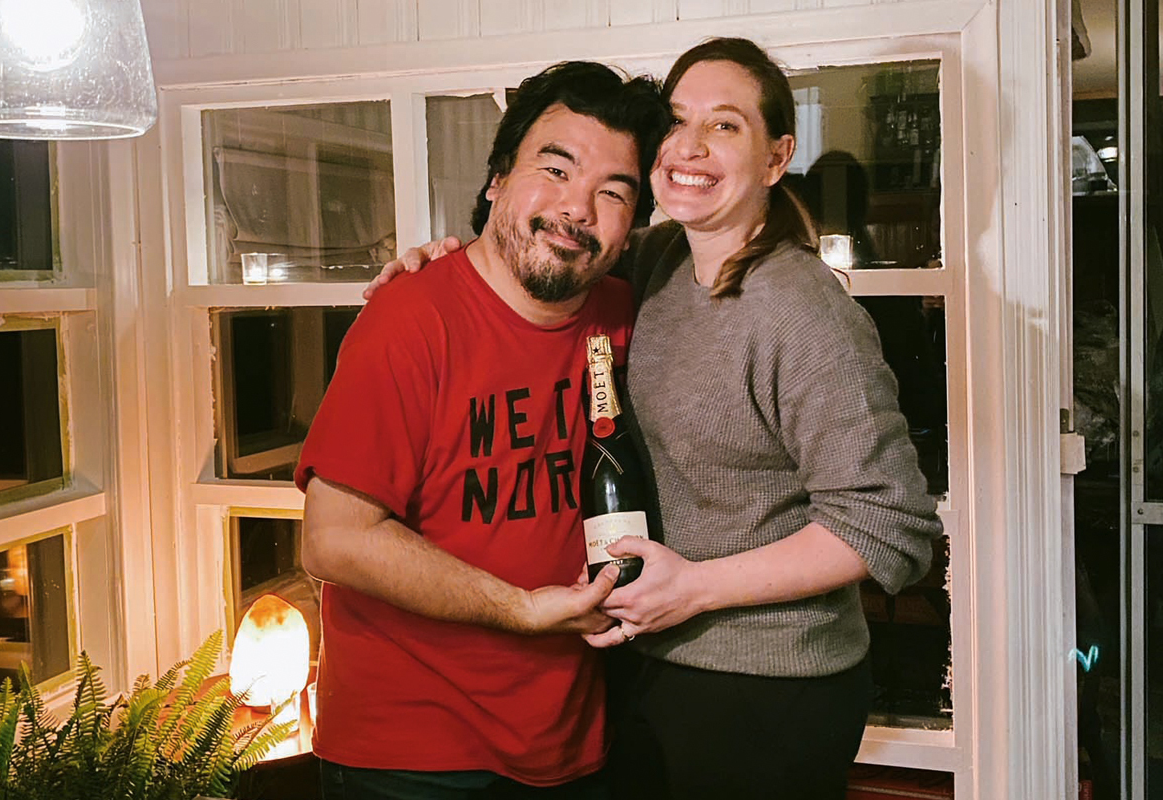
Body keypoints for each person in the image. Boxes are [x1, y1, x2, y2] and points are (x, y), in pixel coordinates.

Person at [371, 37, 943, 800]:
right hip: (655, 666)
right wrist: (444, 262)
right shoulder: (663, 259)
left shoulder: (801, 311)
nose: (692, 147)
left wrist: (697, 588)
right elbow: (553, 253)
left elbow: (889, 524)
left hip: (767, 690)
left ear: (776, 158)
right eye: (678, 122)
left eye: (727, 126)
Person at [295, 61, 670, 800]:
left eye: (612, 193)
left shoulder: (628, 317)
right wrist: (523, 609)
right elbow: (334, 538)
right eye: (554, 170)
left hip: (570, 738)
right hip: (410, 755)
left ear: (634, 226)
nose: (577, 209)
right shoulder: (407, 321)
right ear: (498, 177)